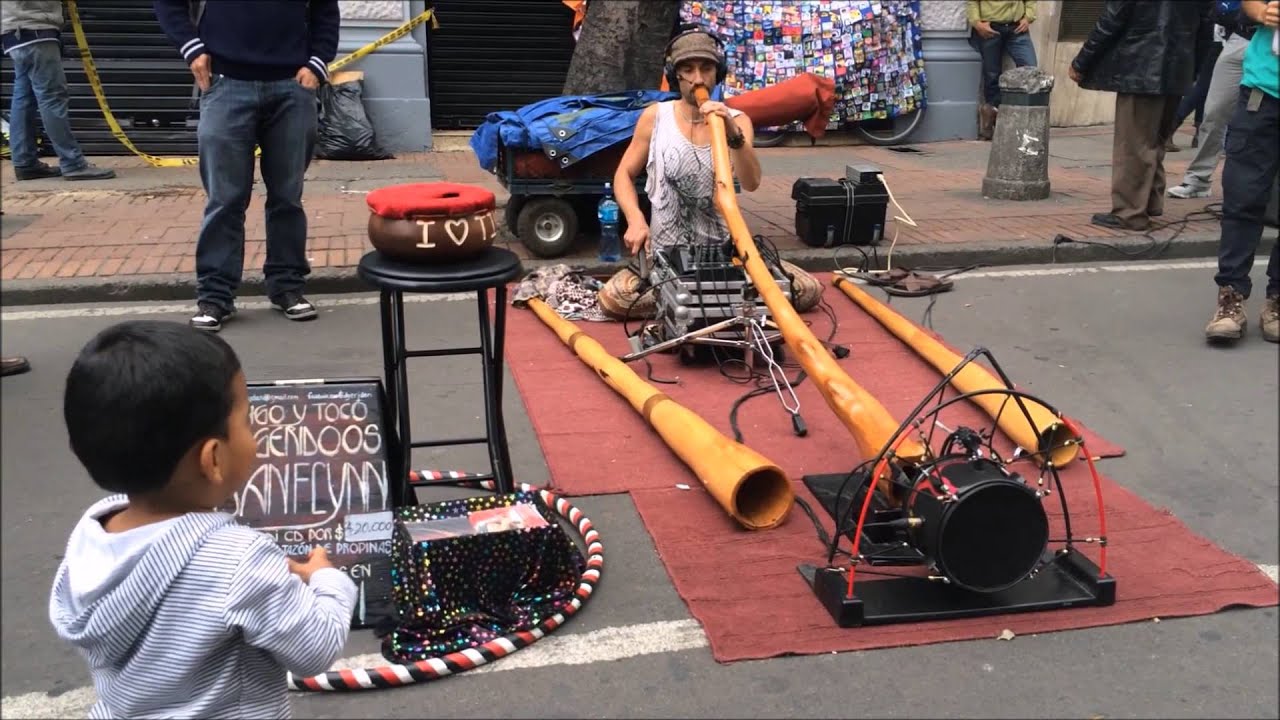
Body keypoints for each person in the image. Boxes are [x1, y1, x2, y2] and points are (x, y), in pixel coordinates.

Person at [49, 320, 357, 718]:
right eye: (247, 421)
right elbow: (314, 648)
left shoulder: (92, 536)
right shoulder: (238, 561)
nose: (255, 434)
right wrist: (327, 579)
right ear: (212, 459)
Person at [598, 27, 823, 320]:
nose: (698, 79)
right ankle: (707, 303)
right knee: (614, 299)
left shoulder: (738, 121)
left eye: (706, 68)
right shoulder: (656, 117)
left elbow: (752, 182)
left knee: (807, 290)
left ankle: (704, 302)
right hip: (664, 256)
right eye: (688, 70)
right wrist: (635, 219)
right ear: (675, 75)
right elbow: (624, 174)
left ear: (718, 73)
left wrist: (731, 130)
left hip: (727, 254)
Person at [155, 0, 341, 332]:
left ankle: (287, 287)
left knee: (287, 197)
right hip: (226, 83)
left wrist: (317, 63)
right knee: (225, 199)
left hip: (292, 86)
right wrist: (191, 48)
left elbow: (326, 9)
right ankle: (215, 297)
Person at [1069, 1, 1201, 232]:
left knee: (1134, 145)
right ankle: (1150, 202)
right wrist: (1192, 67)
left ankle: (1129, 212)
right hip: (1177, 65)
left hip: (1141, 65)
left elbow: (1111, 19)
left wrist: (1082, 62)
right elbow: (1206, 24)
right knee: (1155, 140)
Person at [1203, 0, 1279, 344]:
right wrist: (1261, 12)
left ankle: (1277, 301)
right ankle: (1231, 299)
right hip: (1264, 93)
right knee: (1243, 197)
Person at [1, 1, 116, 181]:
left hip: (16, 31)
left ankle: (25, 163)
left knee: (24, 98)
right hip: (34, 27)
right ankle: (73, 164)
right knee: (52, 98)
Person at [1168, 1, 1259, 198]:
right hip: (1241, 37)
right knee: (1215, 111)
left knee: (1264, 118)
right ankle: (1198, 179)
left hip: (1270, 43)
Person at [966, 0, 1038, 141]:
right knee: (992, 75)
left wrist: (1028, 17)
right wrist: (977, 24)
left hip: (1017, 27)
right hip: (990, 27)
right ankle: (991, 120)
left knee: (1030, 70)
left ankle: (1020, 120)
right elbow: (972, 2)